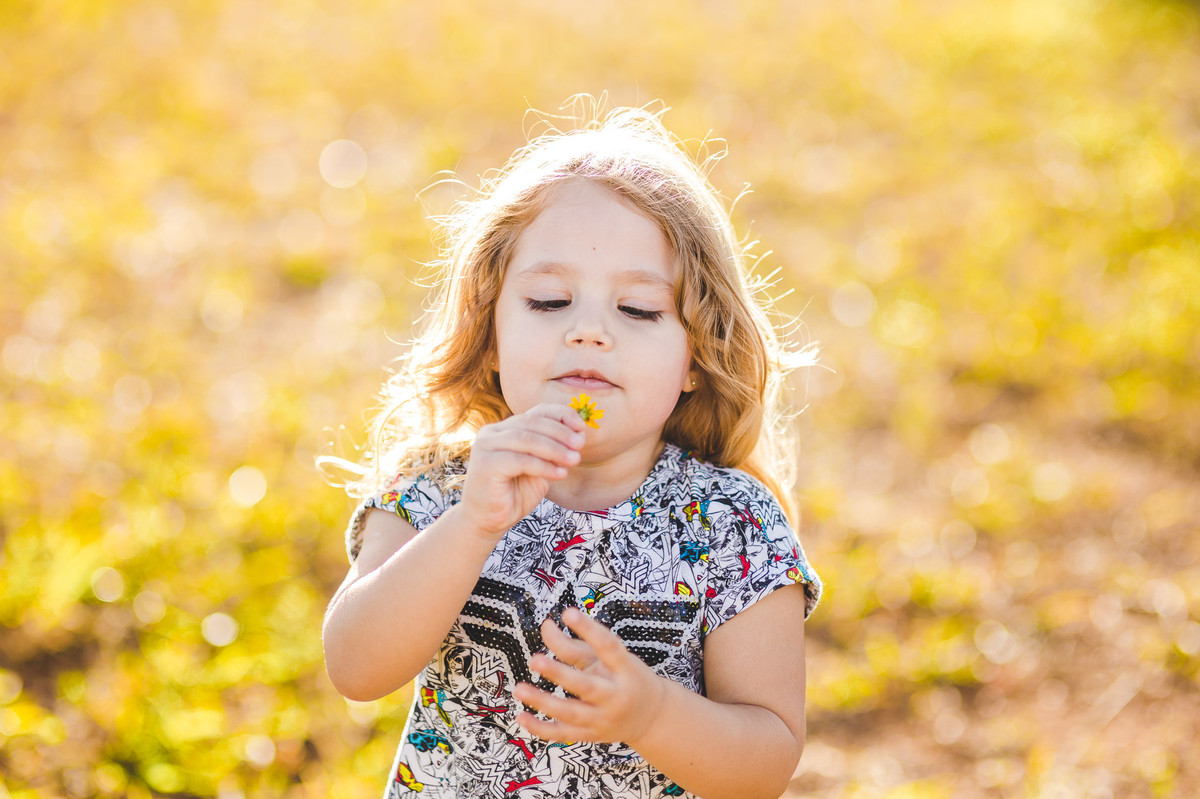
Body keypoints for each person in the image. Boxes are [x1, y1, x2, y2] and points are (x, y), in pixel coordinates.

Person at [322, 100, 822, 799]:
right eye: (551, 302)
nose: (588, 331)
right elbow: (354, 665)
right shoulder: (437, 487)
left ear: (695, 358)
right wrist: (472, 525)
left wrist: (649, 711)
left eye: (639, 309)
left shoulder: (732, 524)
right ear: (491, 331)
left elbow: (766, 761)